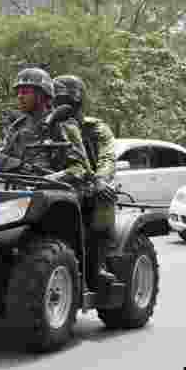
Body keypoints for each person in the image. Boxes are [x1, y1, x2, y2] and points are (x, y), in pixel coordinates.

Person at [53, 75, 117, 289]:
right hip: (58, 182)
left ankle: (97, 266)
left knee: (104, 200)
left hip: (89, 184)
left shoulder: (96, 128)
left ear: (78, 101)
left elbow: (107, 158)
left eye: (65, 101)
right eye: (56, 101)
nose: (60, 105)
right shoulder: (51, 125)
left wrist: (100, 180)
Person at [0, 67, 91, 186]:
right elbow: (0, 160)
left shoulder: (62, 124)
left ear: (42, 95)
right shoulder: (17, 127)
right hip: (20, 191)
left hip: (56, 193)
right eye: (18, 92)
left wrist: (51, 179)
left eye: (26, 92)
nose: (20, 96)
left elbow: (81, 169)